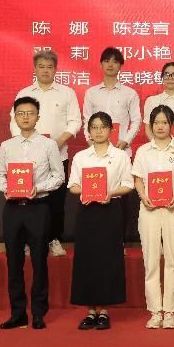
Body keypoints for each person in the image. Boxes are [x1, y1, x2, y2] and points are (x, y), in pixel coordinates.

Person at [0, 96, 64, 330]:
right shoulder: (7, 146)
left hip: (38, 207)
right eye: (21, 113)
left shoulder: (48, 145)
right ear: (14, 117)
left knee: (39, 261)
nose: (25, 117)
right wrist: (7, 189)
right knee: (13, 261)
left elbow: (59, 176)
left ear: (38, 117)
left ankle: (38, 312)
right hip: (13, 209)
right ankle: (17, 313)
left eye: (30, 113)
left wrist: (39, 188)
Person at [10, 50, 81, 257]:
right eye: (41, 66)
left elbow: (75, 121)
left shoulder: (67, 93)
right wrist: (30, 144)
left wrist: (57, 142)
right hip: (29, 157)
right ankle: (29, 241)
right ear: (35, 69)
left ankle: (54, 239)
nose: (45, 70)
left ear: (56, 69)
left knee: (56, 201)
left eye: (50, 67)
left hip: (58, 154)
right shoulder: (24, 93)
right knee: (29, 199)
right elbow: (14, 122)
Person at [68, 112, 134, 330]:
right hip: (87, 211)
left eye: (103, 127)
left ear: (111, 130)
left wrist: (110, 192)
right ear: (89, 131)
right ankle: (89, 311)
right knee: (86, 259)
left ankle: (104, 311)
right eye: (94, 127)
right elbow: (73, 186)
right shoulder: (81, 157)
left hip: (110, 209)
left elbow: (128, 184)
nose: (98, 131)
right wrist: (85, 192)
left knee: (108, 258)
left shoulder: (120, 156)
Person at [132, 105, 174, 329]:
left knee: (173, 261)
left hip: (173, 209)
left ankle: (169, 312)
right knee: (150, 261)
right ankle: (154, 311)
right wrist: (143, 196)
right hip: (148, 210)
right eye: (156, 122)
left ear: (171, 125)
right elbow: (138, 178)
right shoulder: (143, 151)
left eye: (164, 122)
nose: (160, 126)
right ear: (150, 125)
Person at [82, 47, 142, 156]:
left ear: (121, 66)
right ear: (101, 64)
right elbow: (87, 120)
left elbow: (136, 121)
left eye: (115, 62)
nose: (110, 65)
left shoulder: (130, 93)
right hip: (96, 151)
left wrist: (126, 141)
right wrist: (89, 141)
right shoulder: (91, 93)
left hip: (121, 151)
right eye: (106, 61)